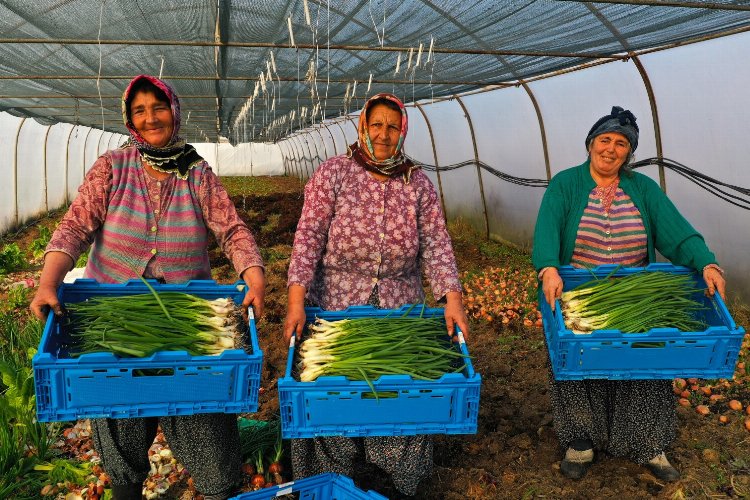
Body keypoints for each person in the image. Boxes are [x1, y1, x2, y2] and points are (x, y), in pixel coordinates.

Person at [30, 74, 266, 500]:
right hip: (113, 314)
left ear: (173, 111)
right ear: (130, 119)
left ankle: (216, 486)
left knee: (202, 415)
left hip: (188, 313)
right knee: (121, 416)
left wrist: (253, 274)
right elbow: (75, 226)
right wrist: (48, 283)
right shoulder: (112, 167)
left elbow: (231, 229)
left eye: (157, 107)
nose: (150, 117)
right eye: (139, 110)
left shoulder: (196, 171)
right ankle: (125, 488)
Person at [283, 92, 470, 497]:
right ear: (362, 127)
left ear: (403, 131)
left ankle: (391, 483)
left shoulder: (416, 182)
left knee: (395, 393)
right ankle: (335, 479)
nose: (383, 134)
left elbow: (437, 244)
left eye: (392, 126)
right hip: (335, 308)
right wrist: (296, 301)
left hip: (399, 311)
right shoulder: (333, 173)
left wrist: (451, 299)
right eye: (376, 124)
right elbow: (308, 238)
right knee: (335, 395)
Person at [532, 106, 726, 482]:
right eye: (605, 140)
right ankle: (580, 442)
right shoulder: (566, 184)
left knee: (646, 368)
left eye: (621, 144)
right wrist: (548, 267)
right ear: (590, 144)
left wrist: (706, 263)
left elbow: (677, 232)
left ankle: (647, 444)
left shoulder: (643, 189)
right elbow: (547, 231)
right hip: (579, 297)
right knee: (578, 370)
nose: (611, 149)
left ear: (629, 153)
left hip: (636, 296)